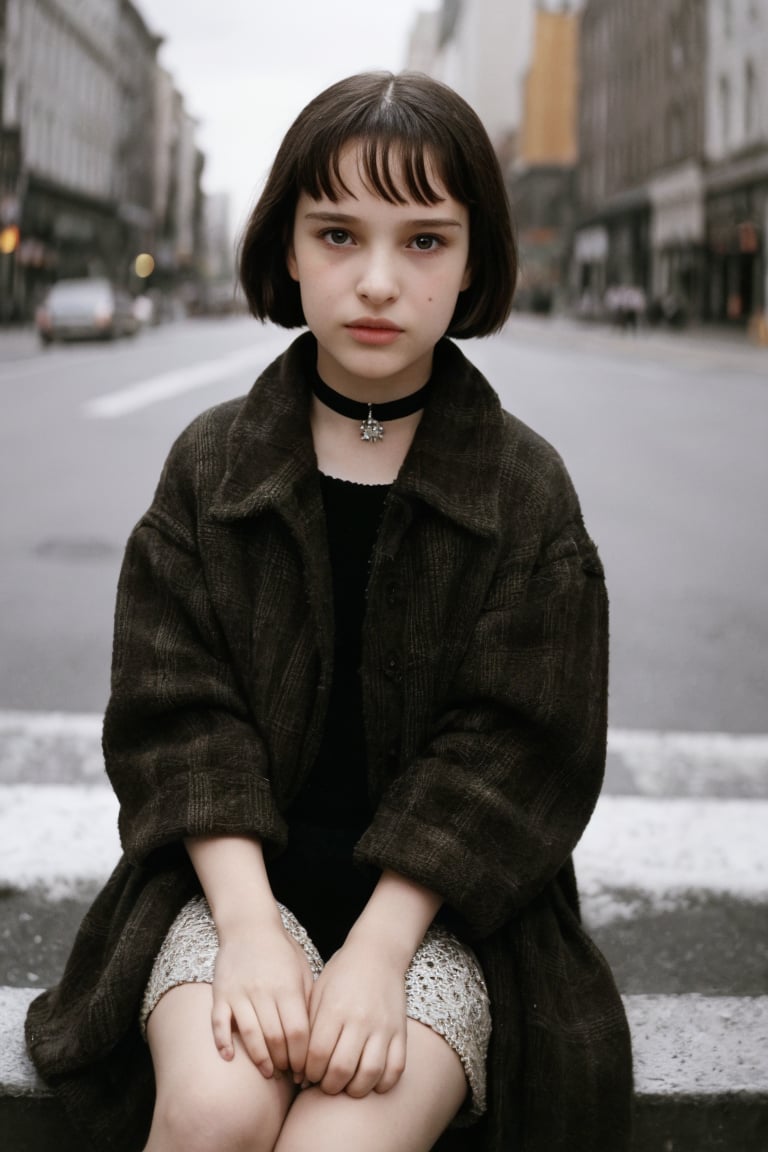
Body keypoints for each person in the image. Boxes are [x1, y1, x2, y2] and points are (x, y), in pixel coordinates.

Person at [26, 72, 632, 1152]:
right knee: (214, 1110)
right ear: (290, 250)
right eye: (340, 234)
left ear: (477, 259)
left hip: (451, 918)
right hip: (230, 889)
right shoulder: (213, 464)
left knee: (338, 1143)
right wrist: (252, 925)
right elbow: (176, 714)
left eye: (426, 241)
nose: (379, 282)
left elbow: (519, 754)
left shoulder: (527, 491)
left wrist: (383, 949)